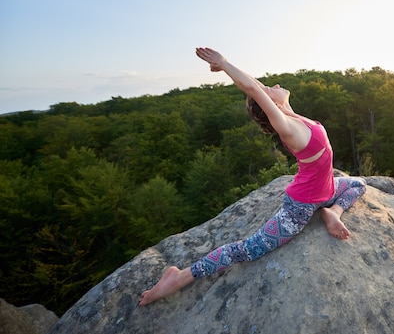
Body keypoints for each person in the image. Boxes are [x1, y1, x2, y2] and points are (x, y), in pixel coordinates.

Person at [139, 47, 366, 306]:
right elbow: (253, 90)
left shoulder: (291, 115)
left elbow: (257, 87)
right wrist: (224, 64)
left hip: (328, 190)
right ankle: (179, 277)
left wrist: (259, 88)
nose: (274, 85)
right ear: (270, 105)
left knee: (359, 184)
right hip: (301, 206)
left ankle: (332, 212)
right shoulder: (289, 127)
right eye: (269, 89)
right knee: (247, 249)